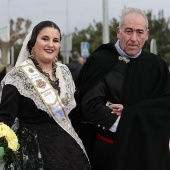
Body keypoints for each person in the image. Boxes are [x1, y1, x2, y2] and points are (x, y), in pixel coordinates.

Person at [69, 7, 170, 170]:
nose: (134, 38)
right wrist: (119, 122)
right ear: (118, 31)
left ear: (147, 34)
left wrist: (130, 116)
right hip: (109, 152)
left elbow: (165, 107)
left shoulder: (157, 66)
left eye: (139, 32)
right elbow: (89, 103)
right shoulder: (100, 60)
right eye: (128, 31)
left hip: (145, 152)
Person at [0, 21, 91, 170]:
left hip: (68, 153)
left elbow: (76, 110)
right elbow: (4, 121)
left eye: (56, 40)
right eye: (45, 39)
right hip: (33, 154)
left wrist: (106, 108)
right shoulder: (18, 76)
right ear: (32, 42)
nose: (51, 44)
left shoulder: (65, 72)